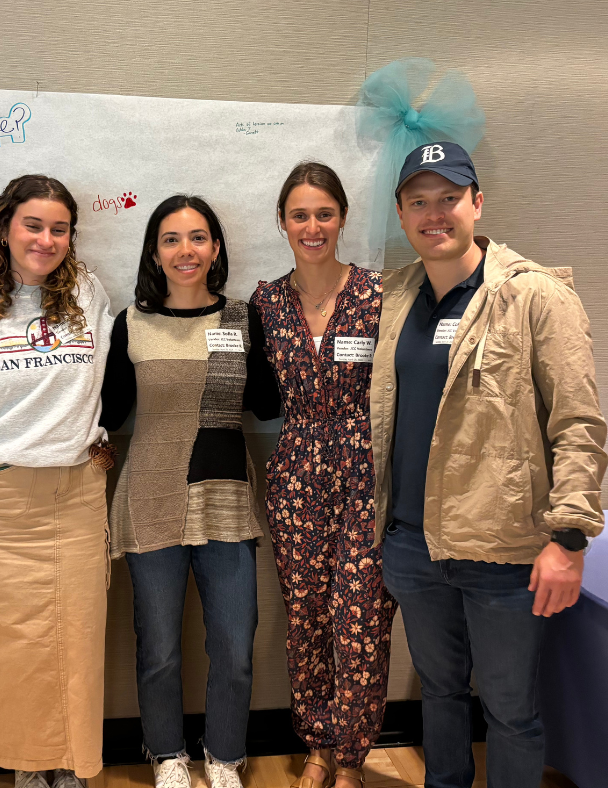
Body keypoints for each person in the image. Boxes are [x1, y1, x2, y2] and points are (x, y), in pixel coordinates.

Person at [372, 141, 607, 788]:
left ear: (477, 202)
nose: (434, 214)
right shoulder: (394, 299)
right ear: (401, 213)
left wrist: (567, 538)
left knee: (510, 711)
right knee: (440, 696)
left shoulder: (534, 297)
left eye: (449, 198)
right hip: (413, 547)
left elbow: (580, 425)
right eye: (419, 201)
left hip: (503, 552)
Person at [0, 174, 114, 788]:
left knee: (77, 643)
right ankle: (27, 767)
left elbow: (112, 377)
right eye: (33, 225)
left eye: (59, 228)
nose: (46, 238)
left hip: (76, 498)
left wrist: (100, 438)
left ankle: (71, 764)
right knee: (10, 647)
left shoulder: (86, 292)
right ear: (5, 226)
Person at [100, 195, 280, 788]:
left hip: (225, 495)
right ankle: (167, 754)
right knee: (158, 646)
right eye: (172, 239)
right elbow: (107, 410)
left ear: (217, 248)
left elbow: (269, 404)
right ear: (155, 251)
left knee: (234, 643)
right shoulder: (130, 323)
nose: (186, 251)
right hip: (150, 496)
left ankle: (226, 754)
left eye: (198, 237)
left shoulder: (242, 319)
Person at [251, 163, 396, 788]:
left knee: (360, 618)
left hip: (366, 474)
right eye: (299, 215)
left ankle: (350, 756)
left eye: (325, 213)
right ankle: (315, 746)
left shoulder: (378, 294)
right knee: (306, 617)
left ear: (342, 218)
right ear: (282, 223)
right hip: (294, 477)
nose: (313, 227)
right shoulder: (265, 301)